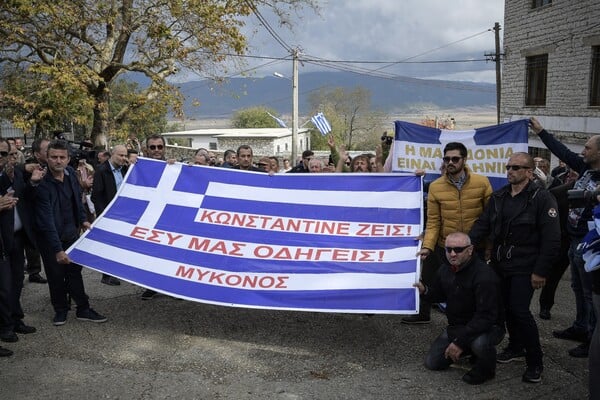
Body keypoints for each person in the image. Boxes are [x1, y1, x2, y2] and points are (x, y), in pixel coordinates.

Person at [469, 152, 560, 384]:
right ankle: (516, 346)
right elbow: (483, 224)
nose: (510, 171)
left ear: (529, 172)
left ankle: (535, 361)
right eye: (508, 167)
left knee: (520, 311)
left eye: (516, 167)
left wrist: (541, 271)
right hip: (501, 264)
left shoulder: (542, 198)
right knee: (506, 309)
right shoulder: (499, 196)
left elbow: (552, 239)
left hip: (526, 265)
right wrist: (465, 245)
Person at [531, 117, 598, 358]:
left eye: (588, 148)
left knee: (590, 291)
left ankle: (592, 338)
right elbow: (562, 151)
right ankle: (580, 327)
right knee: (578, 288)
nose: (583, 151)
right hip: (573, 239)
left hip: (591, 243)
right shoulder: (586, 169)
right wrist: (541, 132)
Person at [404, 142, 492, 324]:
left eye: (455, 158)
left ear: (464, 160)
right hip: (444, 246)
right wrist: (428, 246)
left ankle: (473, 327)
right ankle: (423, 313)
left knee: (473, 288)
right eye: (447, 159)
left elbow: (490, 218)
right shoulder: (436, 187)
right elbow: (434, 221)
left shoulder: (482, 182)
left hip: (473, 248)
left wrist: (489, 246)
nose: (450, 162)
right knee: (430, 279)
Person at [31, 140, 107, 326]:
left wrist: (83, 220)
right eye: (54, 157)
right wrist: (57, 250)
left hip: (71, 233)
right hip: (50, 239)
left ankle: (83, 308)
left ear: (68, 159)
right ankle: (60, 310)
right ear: (46, 158)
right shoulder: (41, 184)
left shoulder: (72, 175)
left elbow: (77, 201)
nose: (58, 161)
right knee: (55, 275)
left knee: (74, 272)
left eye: (62, 157)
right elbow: (46, 220)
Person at [415, 232, 504, 385]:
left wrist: (459, 342)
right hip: (457, 327)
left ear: (470, 250)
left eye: (458, 249)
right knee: (433, 363)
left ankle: (487, 369)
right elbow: (438, 295)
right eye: (448, 249)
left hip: (487, 327)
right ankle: (468, 349)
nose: (452, 254)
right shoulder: (445, 269)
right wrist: (425, 291)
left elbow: (486, 318)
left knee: (479, 343)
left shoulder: (484, 276)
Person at [91, 145, 129, 286]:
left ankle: (117, 271)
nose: (123, 158)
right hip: (108, 214)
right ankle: (106, 275)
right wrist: (105, 215)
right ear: (112, 155)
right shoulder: (101, 171)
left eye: (125, 155)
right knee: (108, 245)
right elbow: (96, 196)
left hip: (124, 214)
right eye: (120, 155)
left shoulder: (125, 169)